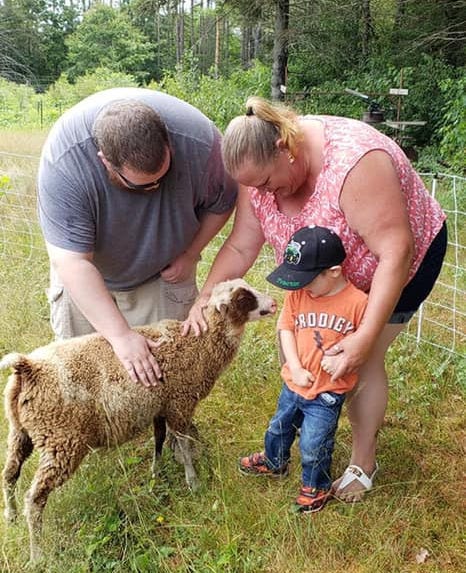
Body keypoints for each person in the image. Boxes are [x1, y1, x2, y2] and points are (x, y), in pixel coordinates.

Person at [184, 96, 447, 501]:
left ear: (285, 150)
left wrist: (361, 338)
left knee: (363, 356)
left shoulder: (355, 164)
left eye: (267, 184)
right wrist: (205, 297)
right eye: (253, 188)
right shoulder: (257, 172)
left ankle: (363, 463)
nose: (263, 196)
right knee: (303, 343)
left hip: (399, 260)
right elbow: (240, 247)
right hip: (323, 273)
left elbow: (396, 251)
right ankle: (300, 428)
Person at [37, 87, 237, 387]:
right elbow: (72, 262)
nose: (156, 187)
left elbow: (223, 202)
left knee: (171, 369)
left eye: (163, 176)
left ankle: (174, 428)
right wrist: (120, 335)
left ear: (168, 141)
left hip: (163, 271)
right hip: (88, 273)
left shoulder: (203, 144)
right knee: (81, 375)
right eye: (143, 185)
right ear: (105, 161)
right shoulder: (64, 163)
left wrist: (191, 253)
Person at [239, 225, 368, 512]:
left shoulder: (358, 302)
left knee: (314, 441)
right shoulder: (298, 296)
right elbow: (285, 329)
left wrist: (341, 359)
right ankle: (274, 462)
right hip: (294, 385)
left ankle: (316, 486)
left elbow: (363, 343)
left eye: (307, 279)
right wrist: (294, 367)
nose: (300, 286)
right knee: (278, 427)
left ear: (333, 272)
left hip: (327, 392)